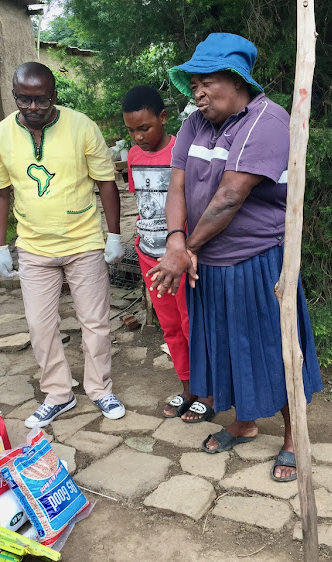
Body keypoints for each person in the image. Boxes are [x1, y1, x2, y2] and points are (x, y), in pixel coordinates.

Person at [149, 33, 323, 481]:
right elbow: (178, 185)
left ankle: (290, 435)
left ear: (237, 79)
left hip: (256, 261)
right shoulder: (195, 122)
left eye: (206, 81)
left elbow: (229, 197)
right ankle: (244, 424)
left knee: (273, 349)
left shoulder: (266, 121)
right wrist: (174, 241)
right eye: (193, 83)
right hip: (206, 262)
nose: (197, 91)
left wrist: (184, 250)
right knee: (224, 349)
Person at [0, 61, 126, 428]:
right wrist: (1, 246)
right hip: (33, 247)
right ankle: (58, 394)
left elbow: (106, 182)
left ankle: (99, 389)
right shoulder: (0, 136)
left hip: (83, 242)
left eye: (42, 100)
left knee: (94, 322)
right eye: (24, 99)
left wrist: (113, 234)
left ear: (54, 96)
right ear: (14, 95)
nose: (33, 107)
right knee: (39, 324)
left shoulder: (82, 127)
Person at [121, 85, 193, 419]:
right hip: (150, 256)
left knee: (192, 323)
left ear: (163, 118)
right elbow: (142, 204)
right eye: (131, 130)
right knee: (170, 327)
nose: (137, 137)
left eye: (144, 128)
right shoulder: (133, 156)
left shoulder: (183, 151)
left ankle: (204, 390)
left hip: (179, 260)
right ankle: (186, 387)